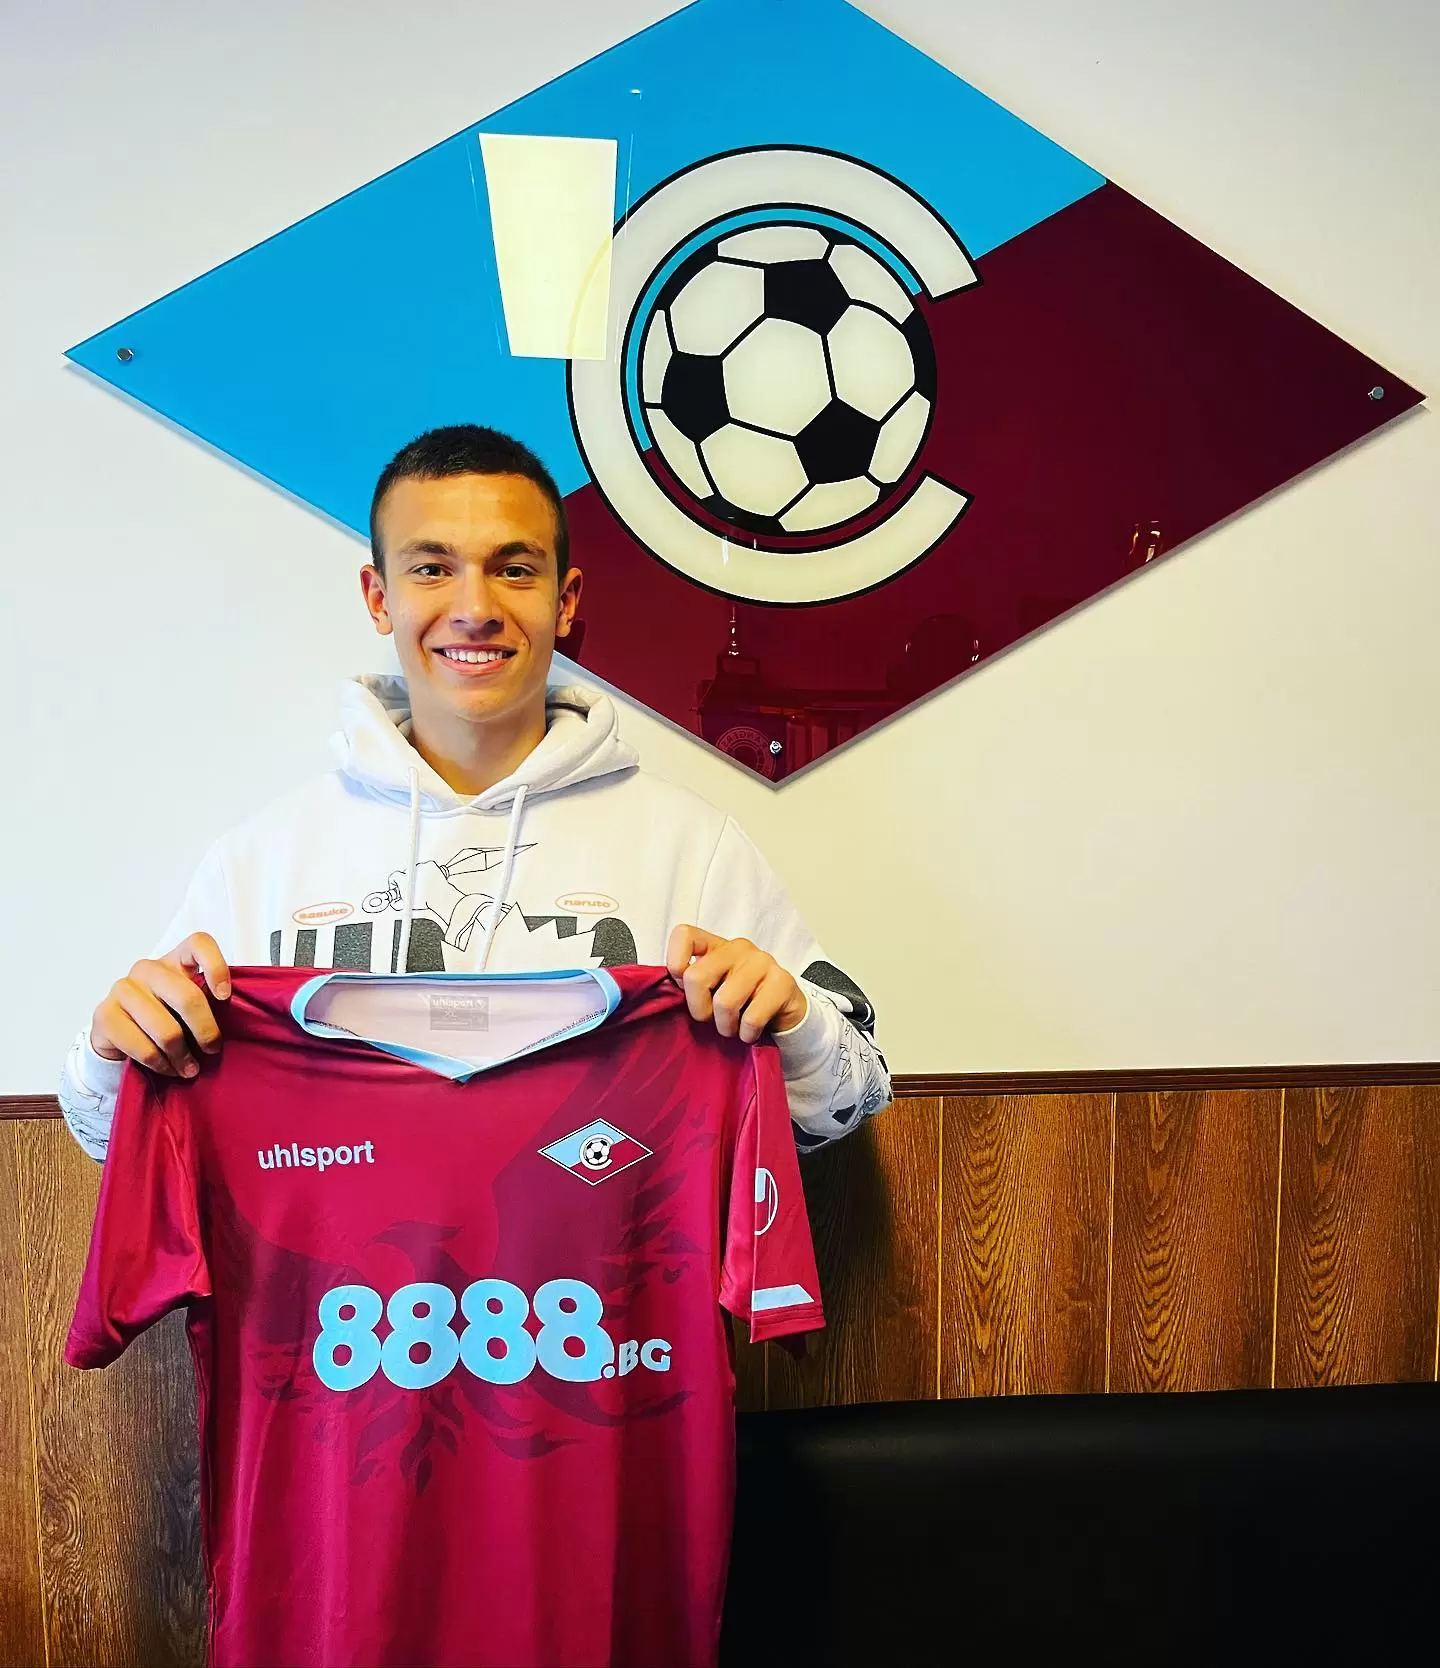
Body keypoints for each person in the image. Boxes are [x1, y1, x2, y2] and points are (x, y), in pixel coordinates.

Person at [58, 425, 891, 1160]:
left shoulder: (690, 847)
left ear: (565, 601)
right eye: (432, 568)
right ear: (379, 597)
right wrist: (108, 1057)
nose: (474, 608)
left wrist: (793, 1025)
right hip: (328, 1292)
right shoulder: (261, 861)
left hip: (610, 1292)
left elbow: (851, 1101)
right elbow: (112, 1137)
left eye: (514, 569)